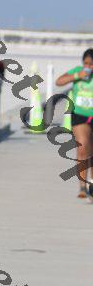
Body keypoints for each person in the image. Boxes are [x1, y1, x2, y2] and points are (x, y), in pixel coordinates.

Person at [56, 49, 93, 198]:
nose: (88, 67)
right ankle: (82, 186)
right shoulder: (78, 71)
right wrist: (77, 76)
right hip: (80, 115)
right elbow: (59, 81)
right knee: (83, 148)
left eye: (91, 64)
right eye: (86, 63)